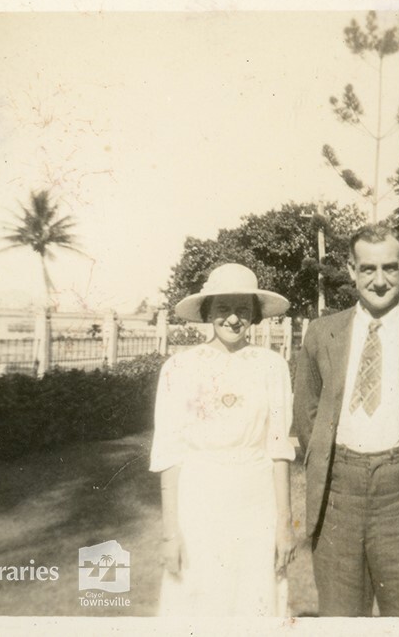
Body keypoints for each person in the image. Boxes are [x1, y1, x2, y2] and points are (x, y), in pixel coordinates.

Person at [293, 223, 399, 617]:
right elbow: (307, 417)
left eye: (389, 268)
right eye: (368, 269)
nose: (379, 280)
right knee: (340, 619)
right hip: (338, 496)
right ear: (351, 269)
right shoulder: (321, 334)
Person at [148, 263, 296, 616]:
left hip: (256, 503)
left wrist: (284, 525)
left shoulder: (272, 366)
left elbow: (278, 449)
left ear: (256, 314)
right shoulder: (179, 369)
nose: (233, 319)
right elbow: (168, 453)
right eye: (223, 309)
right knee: (201, 602)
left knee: (253, 599)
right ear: (207, 312)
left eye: (243, 309)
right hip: (199, 504)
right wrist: (171, 534)